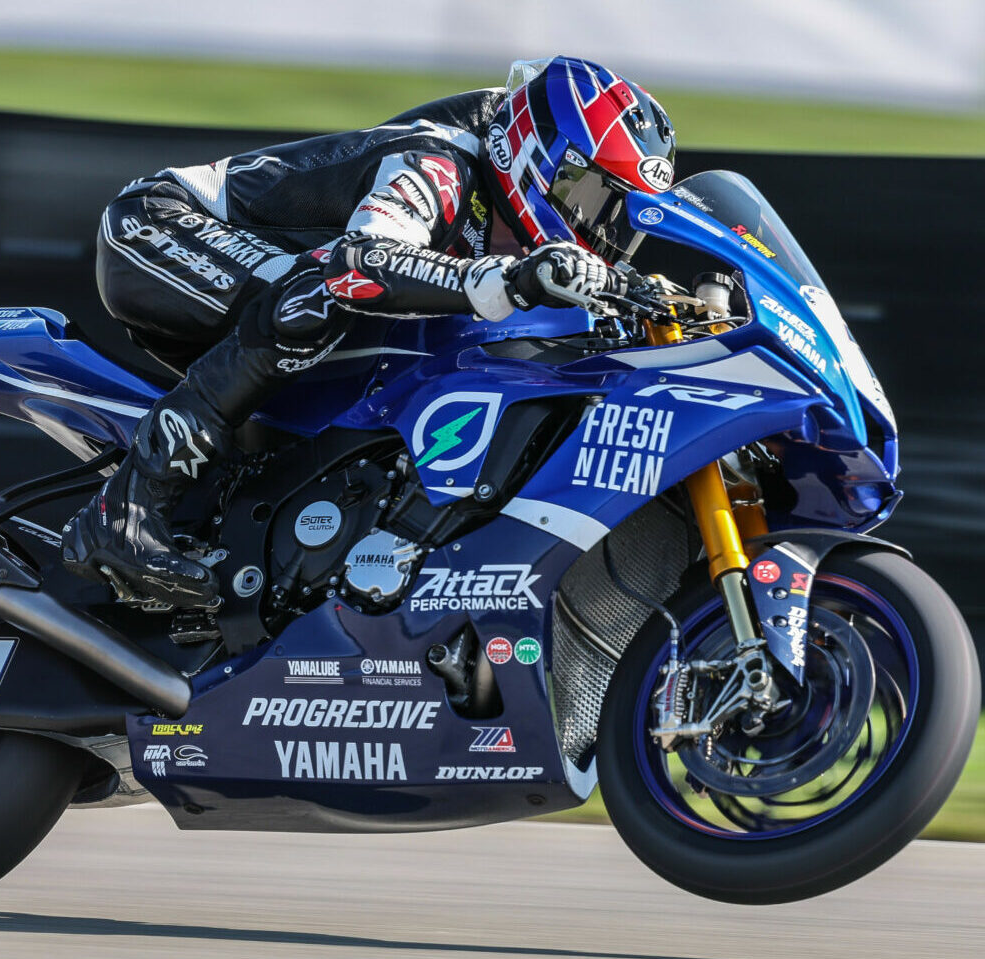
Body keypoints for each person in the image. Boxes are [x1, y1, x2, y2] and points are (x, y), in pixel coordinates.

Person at [62, 56, 677, 608]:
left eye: (621, 214)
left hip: (253, 278)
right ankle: (128, 508)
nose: (602, 229)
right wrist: (510, 281)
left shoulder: (509, 206)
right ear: (536, 153)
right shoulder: (438, 160)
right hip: (159, 225)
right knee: (320, 297)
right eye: (594, 194)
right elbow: (361, 262)